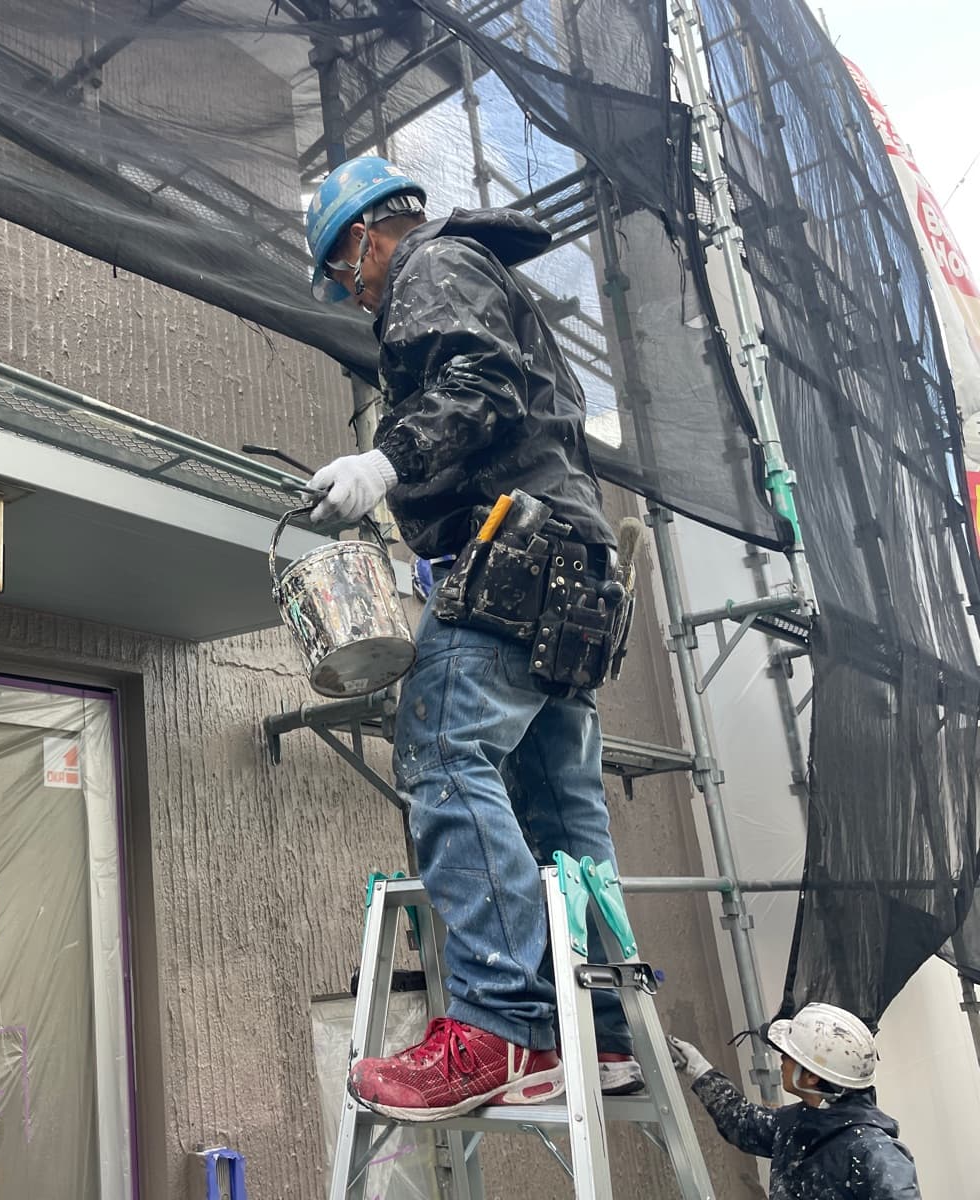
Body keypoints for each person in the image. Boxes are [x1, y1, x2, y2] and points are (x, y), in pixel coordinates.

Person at [302, 155, 637, 1120]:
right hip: (572, 570)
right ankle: (601, 1031)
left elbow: (479, 381)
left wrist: (385, 461)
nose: (350, 292)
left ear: (365, 236)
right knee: (560, 806)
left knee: (442, 750)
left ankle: (502, 1024)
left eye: (342, 272)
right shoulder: (478, 270)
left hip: (512, 558)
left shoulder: (433, 264)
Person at [668, 1003, 921, 1198]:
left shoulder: (873, 1152)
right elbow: (743, 1123)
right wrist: (700, 1070)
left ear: (811, 1076)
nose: (781, 1060)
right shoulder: (802, 1121)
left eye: (788, 1055)